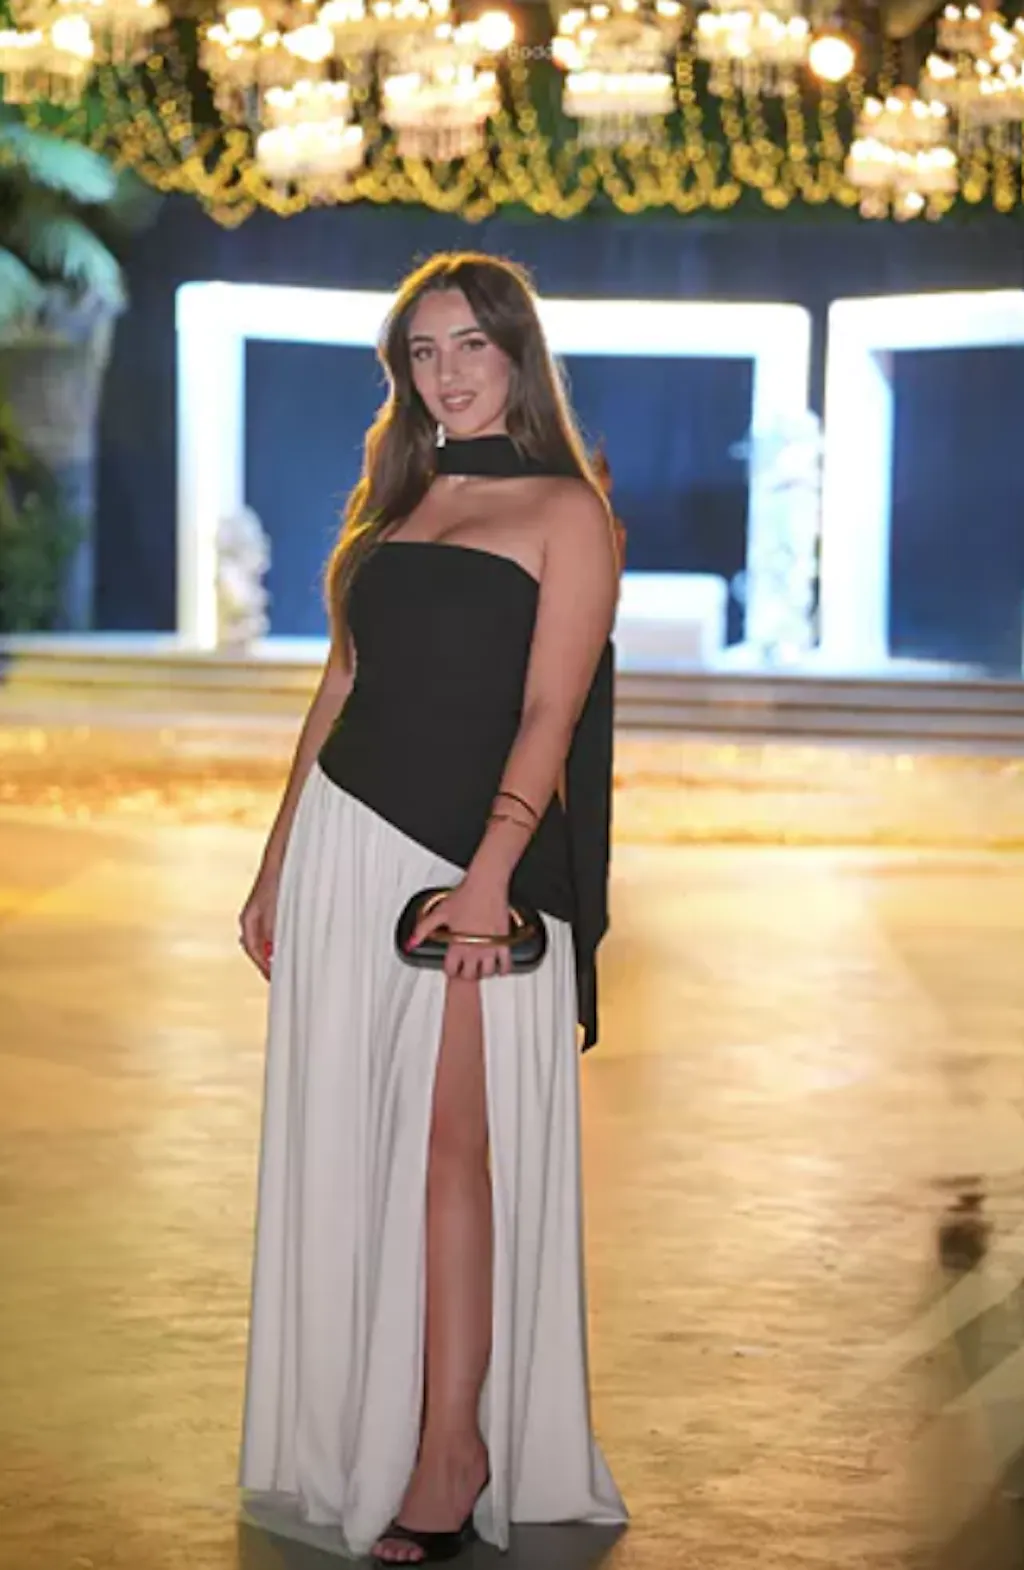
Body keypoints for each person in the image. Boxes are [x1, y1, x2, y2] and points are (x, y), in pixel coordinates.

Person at [236, 251, 629, 1564]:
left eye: (470, 345)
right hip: (347, 851)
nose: (446, 373)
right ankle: (379, 1421)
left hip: (462, 873)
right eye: (422, 351)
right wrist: (279, 858)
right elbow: (341, 688)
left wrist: (492, 875)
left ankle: (453, 1448)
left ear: (518, 355)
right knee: (361, 1146)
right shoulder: (395, 500)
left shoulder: (568, 511)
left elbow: (552, 711)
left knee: (451, 1151)